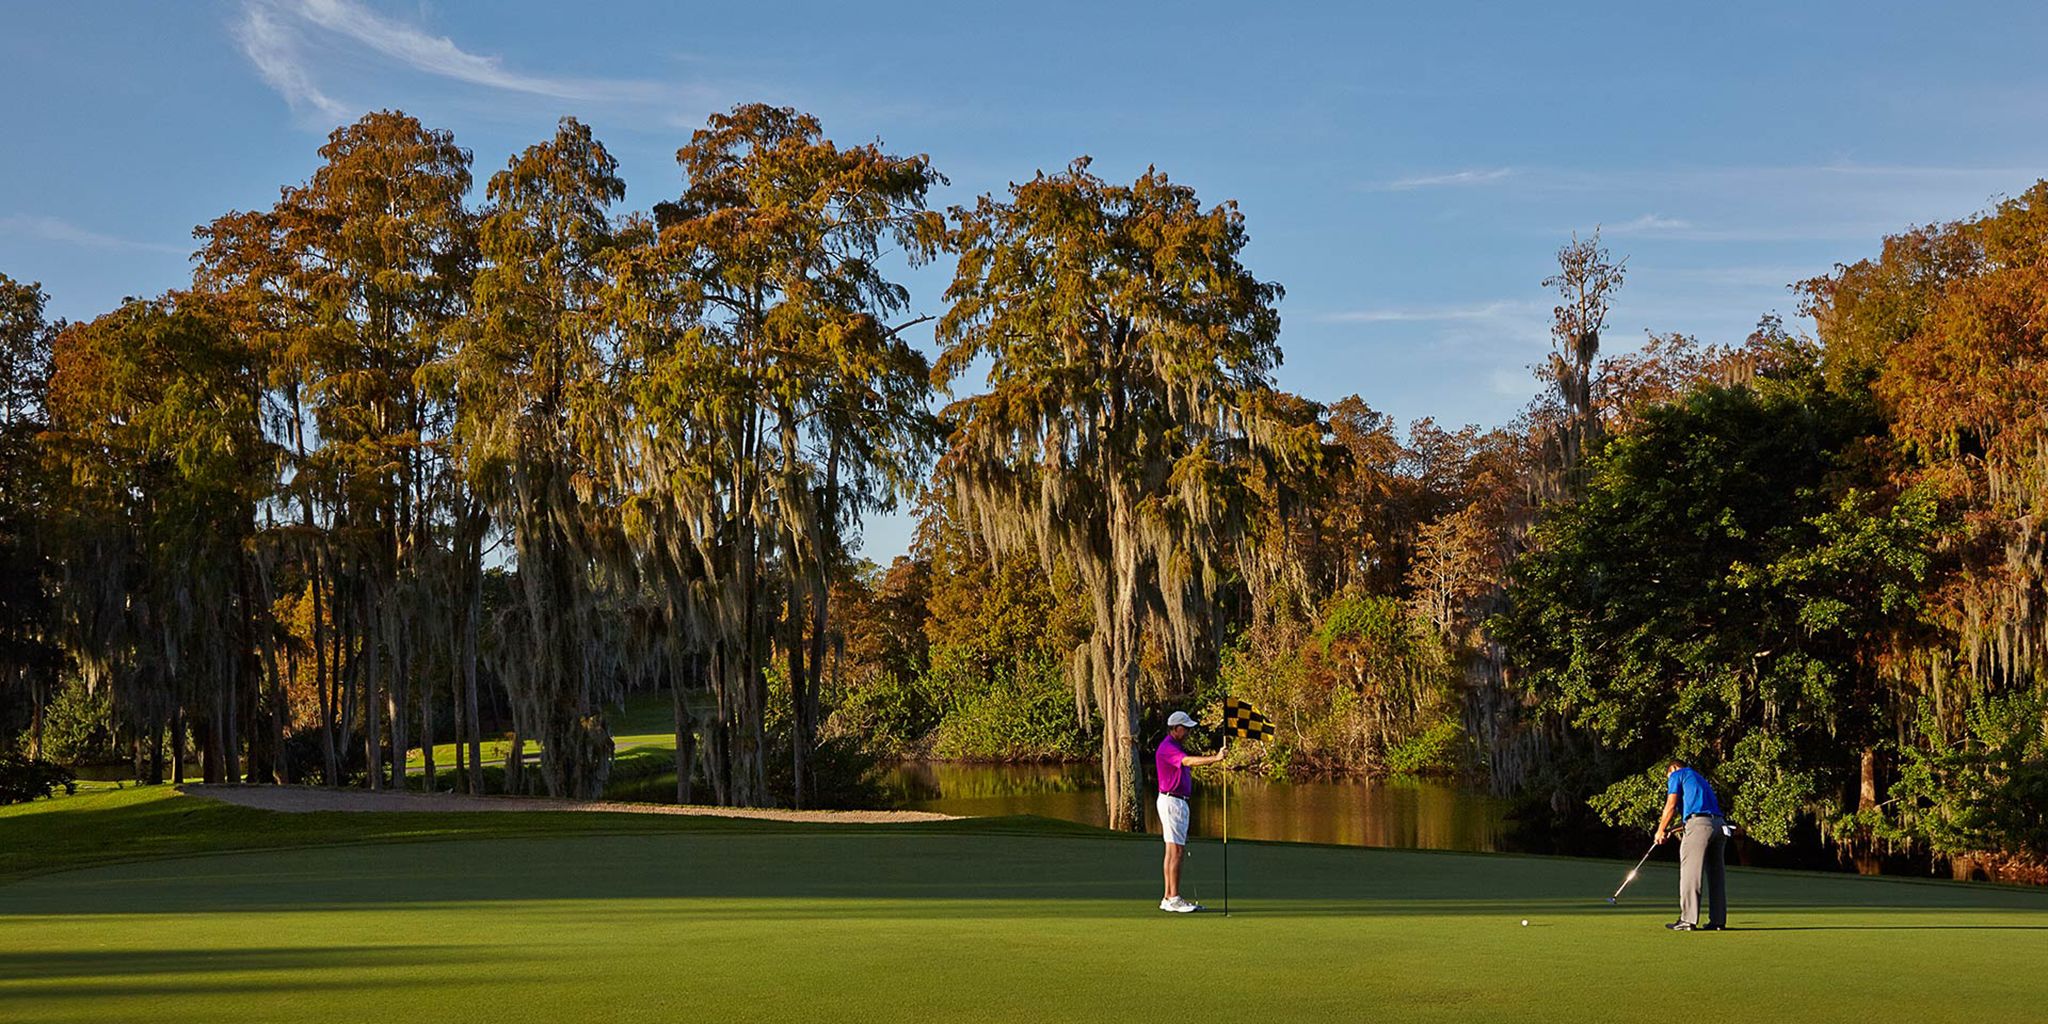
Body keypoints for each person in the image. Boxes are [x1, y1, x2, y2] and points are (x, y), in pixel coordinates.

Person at [1156, 710, 1228, 913]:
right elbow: (1187, 761)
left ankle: (1168, 897)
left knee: (1172, 850)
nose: (1188, 731)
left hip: (1175, 801)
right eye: (1185, 728)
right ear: (1175, 728)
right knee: (1176, 851)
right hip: (1173, 802)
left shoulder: (1174, 745)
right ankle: (1173, 898)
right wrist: (1215, 758)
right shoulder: (1168, 747)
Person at [1653, 757, 1727, 931]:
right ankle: (1718, 921)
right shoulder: (1699, 778)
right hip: (1719, 825)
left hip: (1700, 826)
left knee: (1690, 874)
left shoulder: (1677, 774)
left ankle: (1687, 919)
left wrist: (1660, 829)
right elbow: (1696, 813)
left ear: (1673, 767)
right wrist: (1670, 829)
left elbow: (1671, 805)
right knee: (1716, 876)